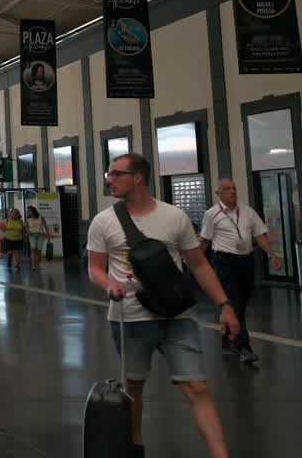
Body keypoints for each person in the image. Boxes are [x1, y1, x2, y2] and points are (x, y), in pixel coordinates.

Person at [88, 153, 240, 458]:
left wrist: (225, 305)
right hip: (129, 317)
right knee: (133, 389)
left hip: (176, 315)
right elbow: (95, 268)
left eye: (116, 174)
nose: (110, 180)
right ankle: (135, 445)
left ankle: (220, 454)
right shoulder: (104, 221)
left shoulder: (174, 217)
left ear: (138, 178)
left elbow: (198, 265)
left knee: (196, 387)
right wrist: (109, 284)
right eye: (109, 174)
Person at [200, 178, 283, 365]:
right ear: (218, 193)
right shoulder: (211, 215)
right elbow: (204, 241)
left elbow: (260, 235)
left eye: (234, 188)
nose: (232, 192)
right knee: (234, 301)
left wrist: (272, 254)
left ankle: (228, 337)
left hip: (245, 261)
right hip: (223, 261)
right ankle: (244, 347)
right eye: (227, 189)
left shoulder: (248, 212)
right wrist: (197, 264)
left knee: (242, 301)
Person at [26, 206, 48, 270]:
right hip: (32, 235)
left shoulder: (41, 217)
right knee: (33, 250)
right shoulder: (28, 219)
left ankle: (38, 265)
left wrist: (48, 236)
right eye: (28, 211)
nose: (28, 212)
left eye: (29, 211)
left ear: (33, 210)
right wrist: (28, 232)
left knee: (39, 251)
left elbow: (45, 226)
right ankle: (33, 266)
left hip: (41, 235)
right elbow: (26, 227)